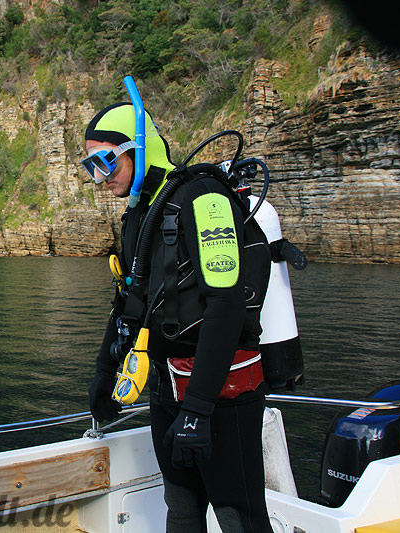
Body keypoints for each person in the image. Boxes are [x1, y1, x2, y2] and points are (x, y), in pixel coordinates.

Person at [83, 103, 274, 533]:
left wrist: (199, 410)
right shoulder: (141, 212)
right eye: (90, 166)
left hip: (222, 392)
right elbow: (129, 300)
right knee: (182, 507)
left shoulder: (204, 197)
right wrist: (103, 371)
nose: (100, 176)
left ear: (139, 148)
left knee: (238, 514)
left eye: (106, 161)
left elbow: (226, 305)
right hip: (167, 388)